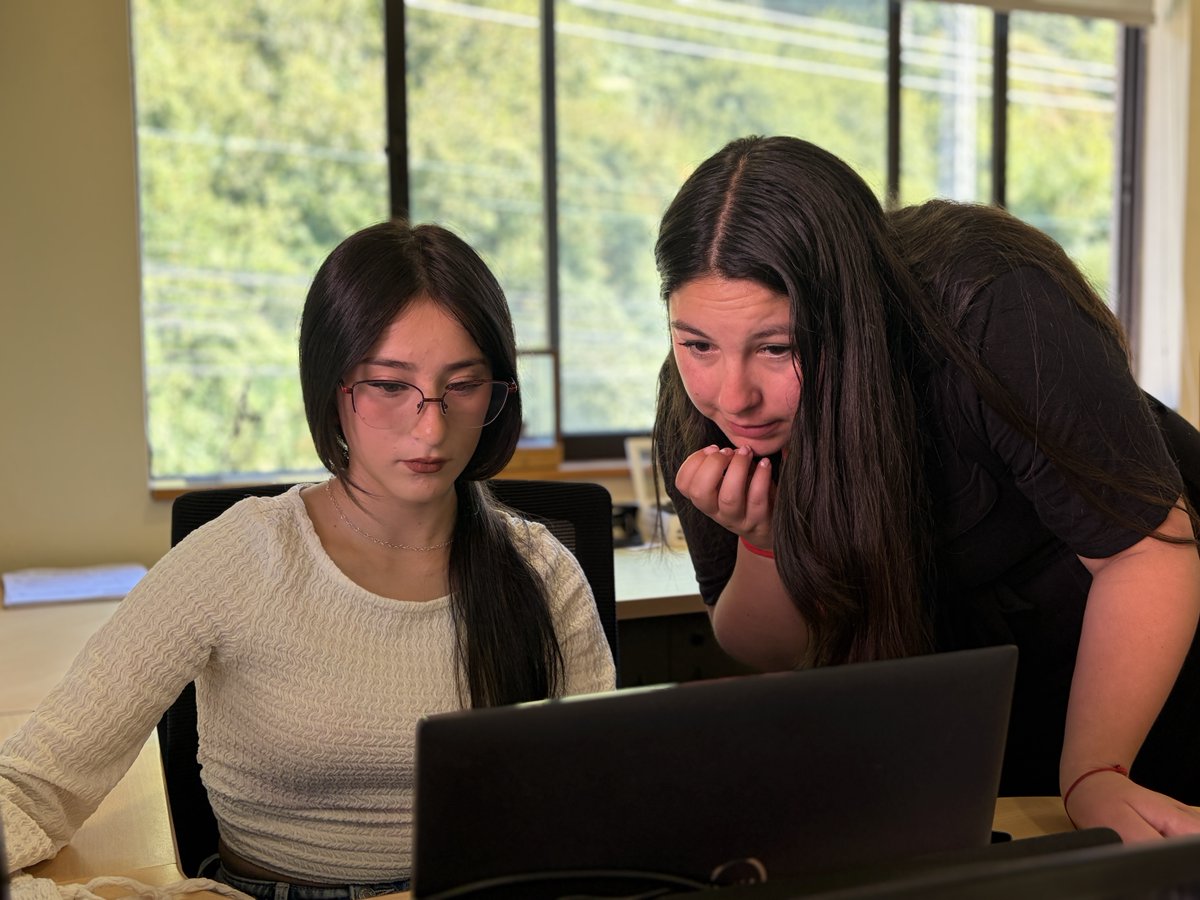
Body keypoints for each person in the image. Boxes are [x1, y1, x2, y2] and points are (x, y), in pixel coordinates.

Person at [0, 221, 616, 894]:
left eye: (462, 385)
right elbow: (33, 787)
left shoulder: (542, 571)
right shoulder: (238, 558)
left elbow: (593, 816)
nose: (431, 427)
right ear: (333, 388)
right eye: (388, 385)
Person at [652, 134, 1200, 843]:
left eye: (778, 347)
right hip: (973, 693)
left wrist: (1096, 770)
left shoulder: (989, 305)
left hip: (1150, 636)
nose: (733, 396)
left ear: (851, 317)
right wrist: (766, 542)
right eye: (697, 344)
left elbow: (1143, 553)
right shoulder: (696, 410)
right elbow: (775, 650)